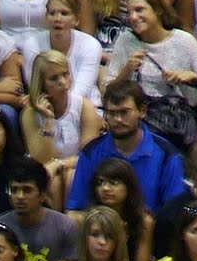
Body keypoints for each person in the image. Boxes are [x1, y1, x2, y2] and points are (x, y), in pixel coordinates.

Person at [68, 81, 185, 214]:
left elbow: (175, 214)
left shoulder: (167, 155)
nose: (118, 119)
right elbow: (75, 210)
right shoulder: (91, 152)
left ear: (142, 111)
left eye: (124, 112)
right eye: (112, 113)